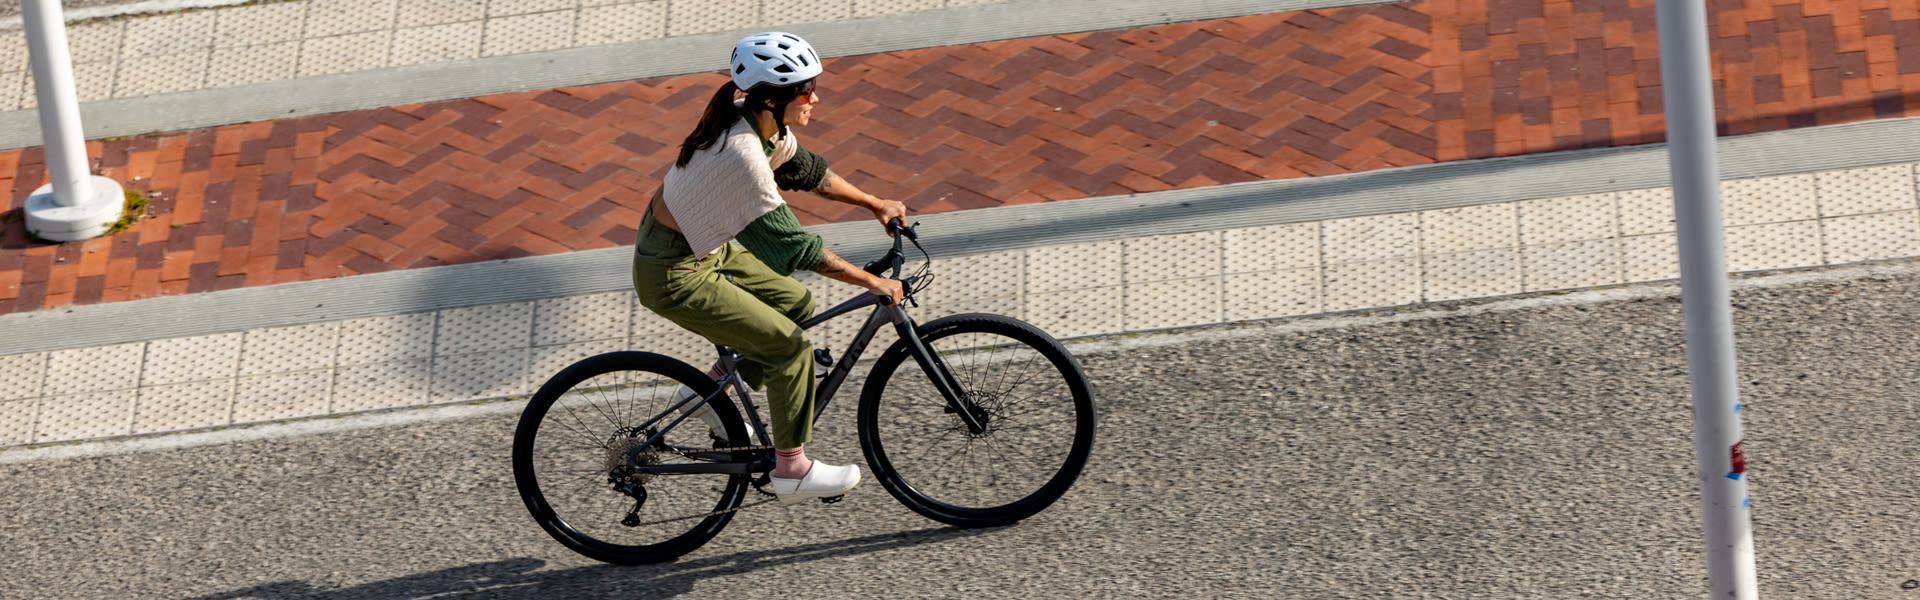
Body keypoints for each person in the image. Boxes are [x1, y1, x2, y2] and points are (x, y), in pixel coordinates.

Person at [632, 32, 908, 505]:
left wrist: (875, 203)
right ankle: (792, 470)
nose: (815, 99)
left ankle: (706, 396)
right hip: (674, 272)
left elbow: (808, 172)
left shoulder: (757, 127)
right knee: (791, 350)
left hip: (702, 249)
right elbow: (793, 248)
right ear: (773, 99)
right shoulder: (741, 156)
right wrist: (871, 281)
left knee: (795, 301)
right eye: (806, 91)